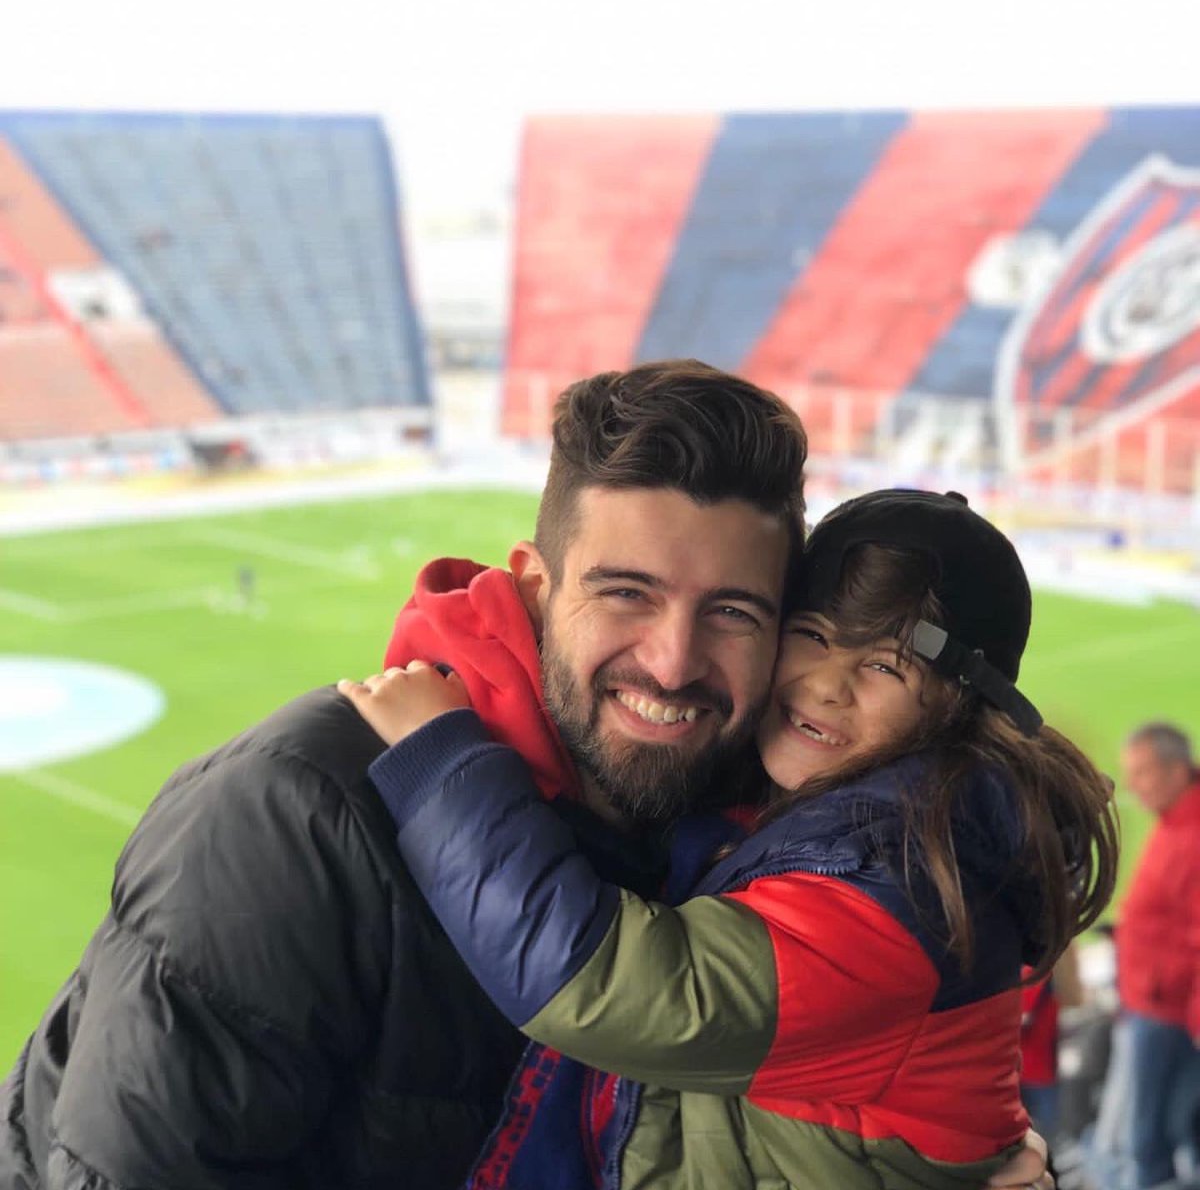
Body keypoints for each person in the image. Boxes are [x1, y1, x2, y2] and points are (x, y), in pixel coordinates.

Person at [0, 362, 1050, 1190]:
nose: (675, 661)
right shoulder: (296, 815)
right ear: (537, 587)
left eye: (734, 612)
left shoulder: (747, 813)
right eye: (626, 594)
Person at [340, 488, 1117, 1190]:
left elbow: (601, 987)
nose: (826, 682)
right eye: (812, 634)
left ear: (962, 709)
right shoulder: (857, 809)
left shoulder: (903, 882)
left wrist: (443, 762)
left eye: (885, 664)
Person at [1114, 723, 1200, 1189]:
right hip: (1153, 1004)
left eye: (1142, 773)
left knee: (1152, 1142)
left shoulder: (1193, 832)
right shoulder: (1177, 821)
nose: (1135, 787)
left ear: (1175, 769)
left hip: (1170, 1017)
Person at [1019, 944, 1085, 1143]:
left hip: (1031, 1067)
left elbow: (1023, 1019)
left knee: (1045, 1136)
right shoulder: (1051, 974)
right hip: (1039, 1066)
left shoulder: (1035, 973)